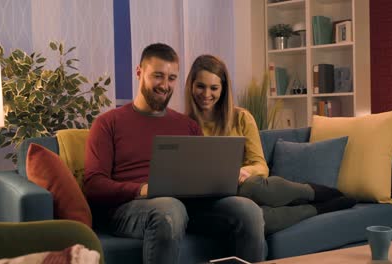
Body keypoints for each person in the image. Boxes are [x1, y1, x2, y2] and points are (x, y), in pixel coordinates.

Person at [84, 44, 265, 264]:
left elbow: (200, 175)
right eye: (158, 76)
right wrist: (143, 189)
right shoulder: (107, 123)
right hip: (130, 209)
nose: (165, 85)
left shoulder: (187, 126)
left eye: (171, 78)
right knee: (169, 208)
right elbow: (93, 184)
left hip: (185, 205)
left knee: (247, 210)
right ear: (139, 72)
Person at [185, 54, 356, 235]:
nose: (206, 94)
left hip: (244, 187)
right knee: (257, 219)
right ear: (191, 86)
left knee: (252, 187)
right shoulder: (183, 124)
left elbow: (261, 166)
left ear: (223, 89)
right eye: (201, 87)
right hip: (213, 199)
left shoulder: (241, 118)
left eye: (214, 88)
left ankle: (311, 192)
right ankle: (322, 208)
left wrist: (243, 172)